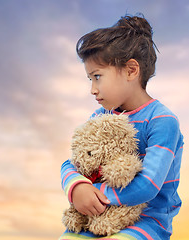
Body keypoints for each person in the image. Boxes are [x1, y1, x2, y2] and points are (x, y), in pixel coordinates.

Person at [60, 14, 184, 240]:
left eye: (97, 77)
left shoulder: (162, 121)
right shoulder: (100, 116)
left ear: (131, 70)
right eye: (90, 79)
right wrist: (77, 187)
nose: (93, 89)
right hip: (98, 217)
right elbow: (73, 162)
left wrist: (95, 193)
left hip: (148, 221)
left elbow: (147, 185)